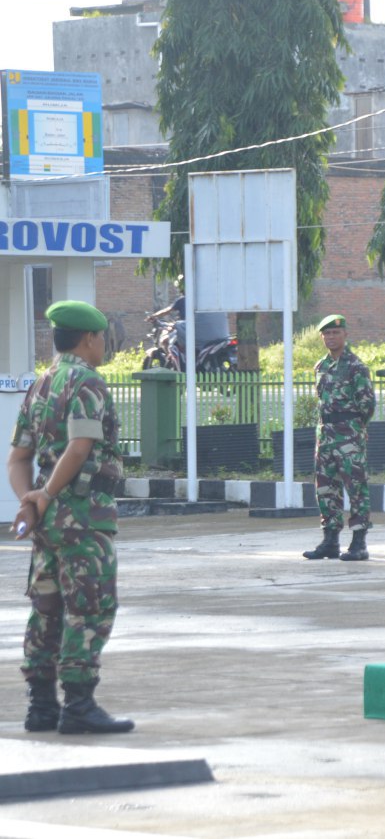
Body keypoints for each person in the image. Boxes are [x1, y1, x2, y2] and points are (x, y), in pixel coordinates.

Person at [8, 300, 133, 734]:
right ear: (89, 339)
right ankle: (78, 705)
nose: (103, 345)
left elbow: (17, 457)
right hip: (83, 517)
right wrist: (45, 494)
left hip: (47, 521)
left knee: (46, 607)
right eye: (101, 338)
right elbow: (80, 448)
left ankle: (40, 706)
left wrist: (30, 500)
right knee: (90, 605)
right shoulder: (87, 382)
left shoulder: (41, 384)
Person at [303, 316, 375, 561]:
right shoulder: (320, 366)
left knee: (356, 487)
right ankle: (330, 539)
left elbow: (367, 404)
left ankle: (358, 542)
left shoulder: (356, 366)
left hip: (349, 433)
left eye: (335, 332)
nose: (330, 337)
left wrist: (355, 428)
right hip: (325, 434)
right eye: (326, 334)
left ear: (345, 334)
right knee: (325, 487)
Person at [147, 275, 231, 356]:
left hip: (191, 331)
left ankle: (170, 359)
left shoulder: (183, 300)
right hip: (218, 336)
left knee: (165, 340)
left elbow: (166, 311)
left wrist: (154, 316)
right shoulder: (214, 301)